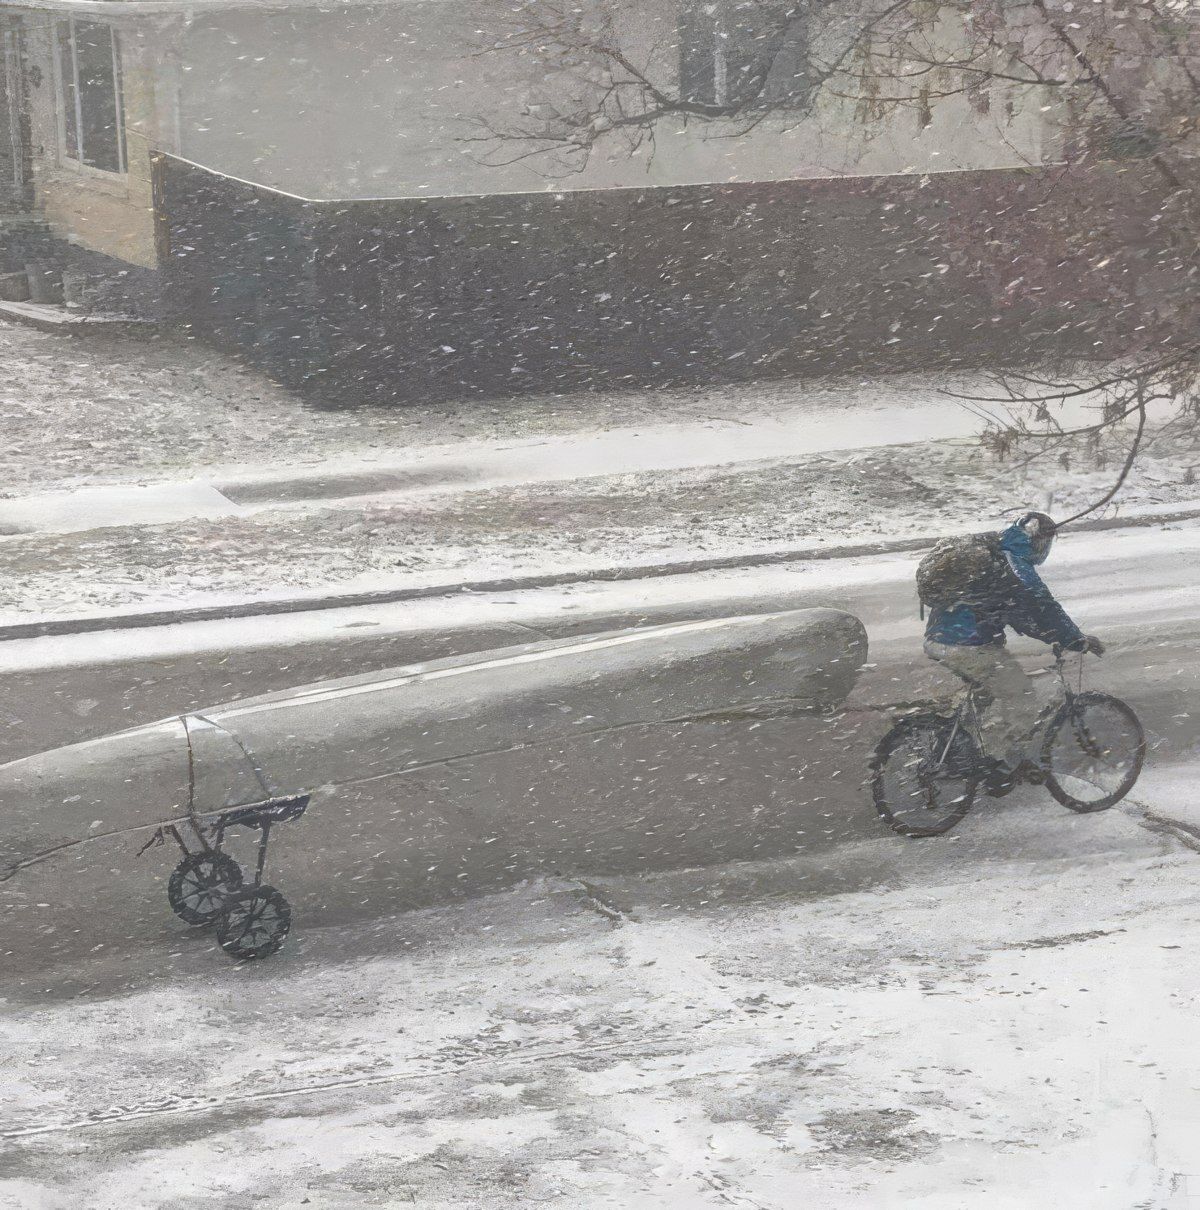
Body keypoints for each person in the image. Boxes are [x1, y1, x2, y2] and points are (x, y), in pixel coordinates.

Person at [923, 511, 1104, 780]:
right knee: (1021, 697)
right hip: (966, 644)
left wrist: (1053, 636)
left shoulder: (997, 551)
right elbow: (1043, 606)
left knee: (985, 693)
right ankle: (1000, 764)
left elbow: (1021, 615)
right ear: (1040, 542)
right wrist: (1074, 639)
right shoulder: (1014, 563)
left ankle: (953, 742)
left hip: (941, 640)